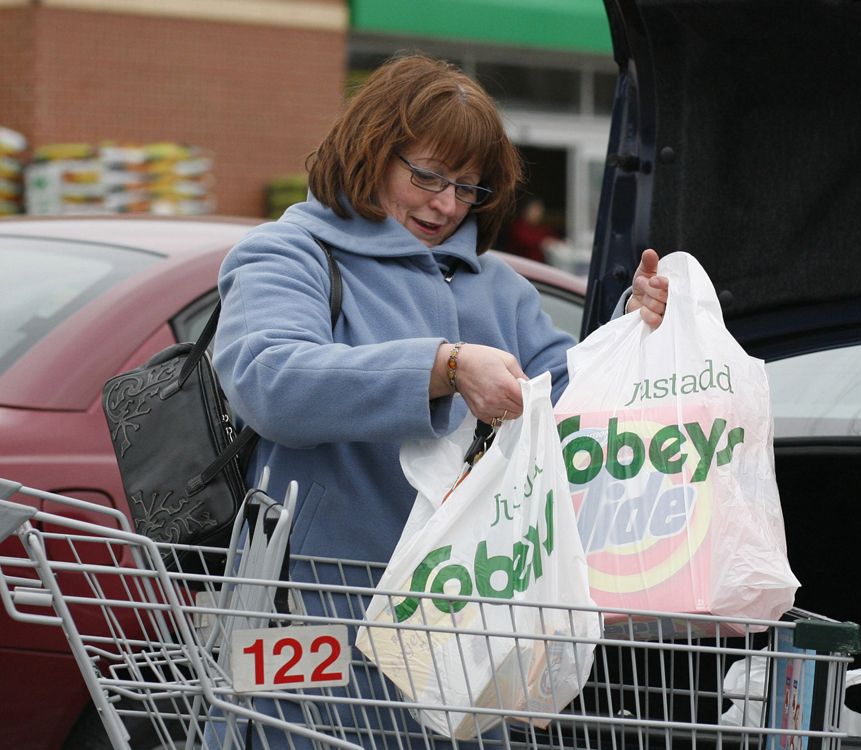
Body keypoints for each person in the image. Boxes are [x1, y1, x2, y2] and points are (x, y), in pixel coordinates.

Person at [211, 51, 668, 745]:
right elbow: (270, 380)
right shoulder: (288, 253)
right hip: (307, 615)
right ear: (370, 151)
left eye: (469, 188)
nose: (447, 204)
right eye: (427, 176)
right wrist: (444, 368)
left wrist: (636, 335)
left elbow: (569, 406)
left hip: (461, 630)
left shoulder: (498, 287)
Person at [505, 196, 561, 263]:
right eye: (535, 210)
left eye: (540, 211)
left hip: (536, 267)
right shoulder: (517, 226)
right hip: (518, 267)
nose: (538, 214)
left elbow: (553, 238)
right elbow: (525, 240)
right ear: (526, 210)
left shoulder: (541, 228)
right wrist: (543, 241)